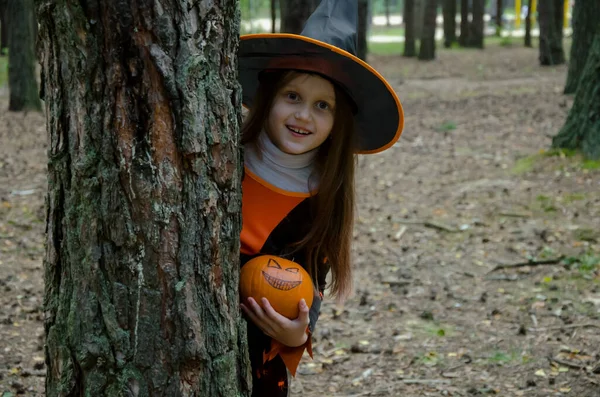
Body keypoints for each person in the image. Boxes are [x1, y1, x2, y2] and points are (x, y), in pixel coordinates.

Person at [237, 0, 404, 395]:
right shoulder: (219, 160)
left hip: (255, 369)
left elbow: (310, 292)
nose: (303, 116)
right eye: (292, 96)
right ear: (268, 96)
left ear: (339, 121)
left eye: (322, 105)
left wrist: (298, 334)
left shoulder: (323, 200)